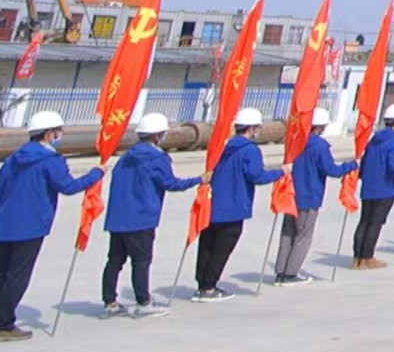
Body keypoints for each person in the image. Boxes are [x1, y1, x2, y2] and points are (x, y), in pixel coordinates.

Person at [0, 110, 102, 341]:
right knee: (17, 275)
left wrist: (0, 219)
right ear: (49, 133)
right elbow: (68, 187)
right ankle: (3, 325)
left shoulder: (12, 159)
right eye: (58, 132)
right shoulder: (50, 161)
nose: (59, 135)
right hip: (31, 225)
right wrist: (96, 174)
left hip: (6, 223)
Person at [104, 112, 199, 314]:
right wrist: (199, 180)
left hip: (118, 218)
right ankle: (143, 302)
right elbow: (171, 184)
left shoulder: (125, 158)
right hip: (141, 218)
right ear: (157, 136)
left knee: (115, 260)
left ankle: (109, 302)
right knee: (141, 261)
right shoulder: (157, 159)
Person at [199, 107, 285, 300]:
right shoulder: (250, 151)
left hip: (213, 204)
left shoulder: (221, 146)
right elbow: (256, 175)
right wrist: (280, 172)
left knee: (207, 246)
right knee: (221, 249)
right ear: (251, 128)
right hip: (234, 206)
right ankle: (210, 287)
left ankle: (202, 284)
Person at [274, 107, 355, 284]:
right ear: (320, 127)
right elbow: (331, 170)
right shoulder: (319, 146)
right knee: (303, 236)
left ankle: (280, 271)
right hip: (309, 196)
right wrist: (350, 166)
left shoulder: (295, 142)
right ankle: (290, 274)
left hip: (291, 194)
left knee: (287, 234)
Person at [355, 104, 394, 268]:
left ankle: (357, 257)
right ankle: (367, 257)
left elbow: (365, 161)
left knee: (364, 221)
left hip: (369, 186)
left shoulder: (374, 138)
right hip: (385, 187)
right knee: (375, 223)